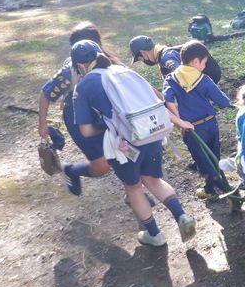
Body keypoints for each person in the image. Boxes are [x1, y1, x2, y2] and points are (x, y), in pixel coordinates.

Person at [71, 39, 196, 247]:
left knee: (134, 187)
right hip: (152, 133)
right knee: (153, 180)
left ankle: (154, 235)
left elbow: (85, 131)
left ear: (80, 65)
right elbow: (154, 101)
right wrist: (179, 121)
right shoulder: (123, 71)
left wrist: (108, 124)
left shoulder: (84, 86)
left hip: (125, 144)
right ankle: (181, 215)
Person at [39, 22, 121, 195]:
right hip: (78, 118)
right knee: (102, 167)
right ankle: (72, 171)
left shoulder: (107, 61)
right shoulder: (70, 71)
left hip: (105, 113)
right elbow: (46, 94)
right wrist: (43, 125)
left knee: (123, 153)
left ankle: (134, 192)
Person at [163, 40, 231, 198]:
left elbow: (168, 101)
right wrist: (228, 103)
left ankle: (216, 186)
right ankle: (216, 186)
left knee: (202, 159)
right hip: (210, 124)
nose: (204, 67)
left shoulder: (171, 79)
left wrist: (180, 121)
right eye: (204, 63)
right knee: (214, 154)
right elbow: (223, 101)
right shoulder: (204, 80)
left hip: (192, 129)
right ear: (195, 61)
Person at [129, 35, 221, 84]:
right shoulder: (162, 55)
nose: (144, 62)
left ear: (143, 53)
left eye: (140, 59)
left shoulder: (166, 57)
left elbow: (180, 73)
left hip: (207, 78)